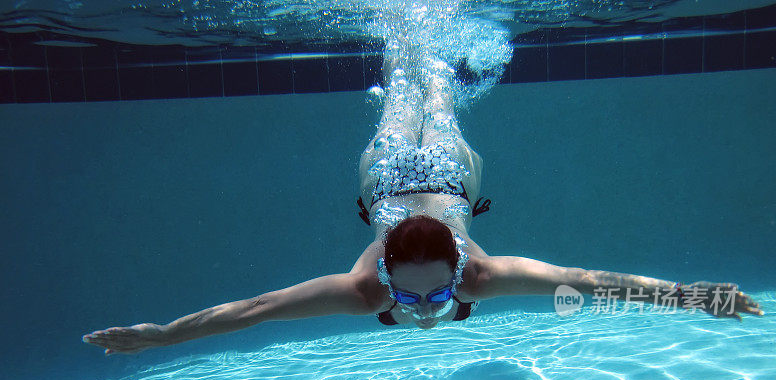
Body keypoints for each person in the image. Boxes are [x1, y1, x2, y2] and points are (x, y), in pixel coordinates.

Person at [83, 44, 763, 356]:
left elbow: (587, 280)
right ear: (382, 273)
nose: (424, 310)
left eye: (434, 296)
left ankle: (419, 47)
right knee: (419, 94)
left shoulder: (480, 274)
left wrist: (692, 295)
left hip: (419, 176)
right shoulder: (364, 289)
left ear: (459, 266)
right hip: (413, 178)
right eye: (409, 298)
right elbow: (253, 313)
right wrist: (165, 335)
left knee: (426, 97)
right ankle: (412, 44)